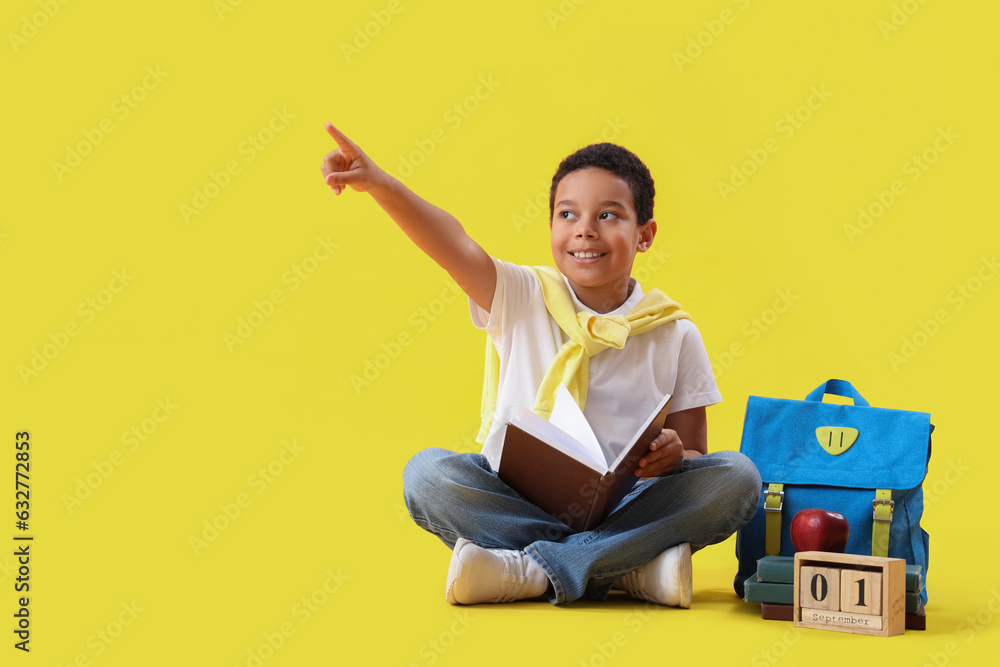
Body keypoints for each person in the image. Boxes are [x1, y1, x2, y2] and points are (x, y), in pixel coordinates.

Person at [320, 122, 761, 607]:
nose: (585, 230)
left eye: (609, 215)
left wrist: (676, 456)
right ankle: (623, 568)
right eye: (567, 214)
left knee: (737, 478)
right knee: (426, 476)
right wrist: (381, 185)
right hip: (514, 499)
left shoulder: (674, 332)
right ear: (551, 226)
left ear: (645, 235)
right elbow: (453, 244)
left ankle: (530, 569)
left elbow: (695, 454)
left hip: (625, 507)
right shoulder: (521, 295)